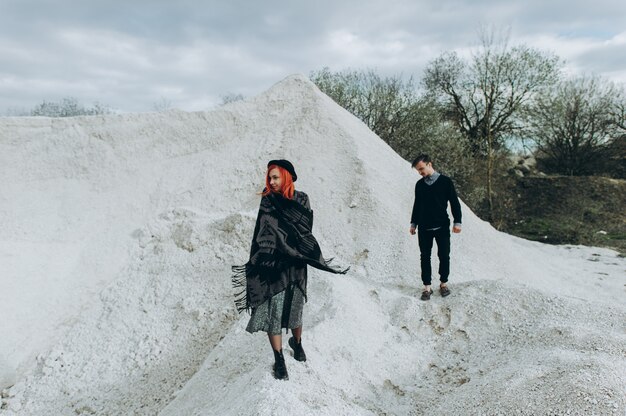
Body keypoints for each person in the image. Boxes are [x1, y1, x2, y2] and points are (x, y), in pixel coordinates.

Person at [232, 159, 349, 380]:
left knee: (295, 308)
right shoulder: (268, 200)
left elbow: (304, 232)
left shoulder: (302, 199)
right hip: (272, 263)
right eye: (269, 178)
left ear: (286, 176)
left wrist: (290, 246)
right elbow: (263, 231)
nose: (271, 181)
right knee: (273, 311)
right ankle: (279, 359)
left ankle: (297, 343)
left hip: (296, 262)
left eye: (275, 177)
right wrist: (272, 249)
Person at [409, 154, 462, 301]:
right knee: (424, 257)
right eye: (418, 170)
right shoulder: (419, 185)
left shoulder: (445, 182)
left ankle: (443, 284)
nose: (420, 172)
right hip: (424, 227)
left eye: (422, 169)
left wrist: (458, 222)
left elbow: (454, 202)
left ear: (429, 164)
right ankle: (427, 287)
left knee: (444, 255)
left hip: (442, 226)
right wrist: (413, 223)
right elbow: (417, 205)